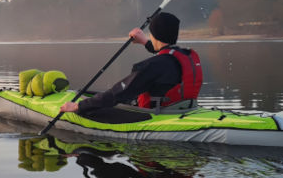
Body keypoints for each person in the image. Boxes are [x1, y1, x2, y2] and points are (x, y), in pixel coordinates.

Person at [58, 11, 202, 116]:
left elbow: (118, 93)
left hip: (160, 113)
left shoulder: (152, 66)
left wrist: (78, 106)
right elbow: (164, 55)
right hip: (185, 107)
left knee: (102, 101)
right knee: (93, 95)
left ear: (154, 35)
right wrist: (144, 42)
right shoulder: (185, 55)